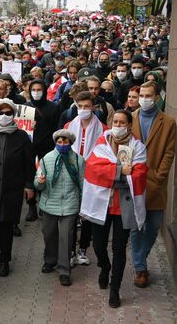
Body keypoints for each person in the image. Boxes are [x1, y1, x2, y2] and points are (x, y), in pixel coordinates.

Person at [81, 110, 148, 308]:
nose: (118, 125)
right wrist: (119, 171)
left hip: (124, 206)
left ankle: (115, 290)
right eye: (115, 122)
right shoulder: (102, 142)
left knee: (119, 248)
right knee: (99, 246)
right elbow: (93, 168)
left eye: (122, 122)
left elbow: (138, 174)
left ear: (129, 124)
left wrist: (111, 175)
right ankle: (104, 266)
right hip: (102, 204)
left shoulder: (138, 147)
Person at [0, 98, 35, 277]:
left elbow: (28, 162)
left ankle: (5, 258)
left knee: (7, 224)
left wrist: (28, 185)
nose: (4, 116)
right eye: (1, 113)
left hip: (12, 187)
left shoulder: (21, 136)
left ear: (14, 115)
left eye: (8, 113)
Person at [130, 81, 176, 288]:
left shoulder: (168, 122)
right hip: (134, 182)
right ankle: (140, 267)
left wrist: (159, 175)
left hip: (156, 182)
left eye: (149, 96)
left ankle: (140, 256)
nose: (144, 99)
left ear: (157, 97)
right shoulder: (130, 118)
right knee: (136, 227)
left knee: (153, 226)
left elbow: (169, 151)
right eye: (142, 95)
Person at [35, 130, 85, 286]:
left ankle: (64, 270)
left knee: (66, 238)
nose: (62, 144)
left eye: (66, 142)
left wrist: (83, 206)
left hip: (70, 205)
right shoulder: (46, 159)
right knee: (49, 234)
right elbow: (37, 184)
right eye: (60, 141)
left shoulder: (78, 160)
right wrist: (41, 181)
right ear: (55, 142)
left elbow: (83, 183)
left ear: (70, 143)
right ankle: (50, 260)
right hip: (50, 204)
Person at [64, 91, 107, 267]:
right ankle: (71, 251)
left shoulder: (103, 129)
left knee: (88, 215)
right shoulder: (68, 126)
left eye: (87, 106)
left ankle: (83, 249)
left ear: (93, 107)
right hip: (72, 174)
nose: (83, 110)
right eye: (80, 106)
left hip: (93, 177)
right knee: (72, 214)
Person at [26, 79, 61, 221]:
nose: (36, 93)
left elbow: (57, 128)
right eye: (33, 90)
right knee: (29, 177)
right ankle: (31, 206)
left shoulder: (53, 108)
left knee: (44, 177)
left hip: (47, 149)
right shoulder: (25, 108)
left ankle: (43, 204)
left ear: (45, 91)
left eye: (39, 90)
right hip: (29, 149)